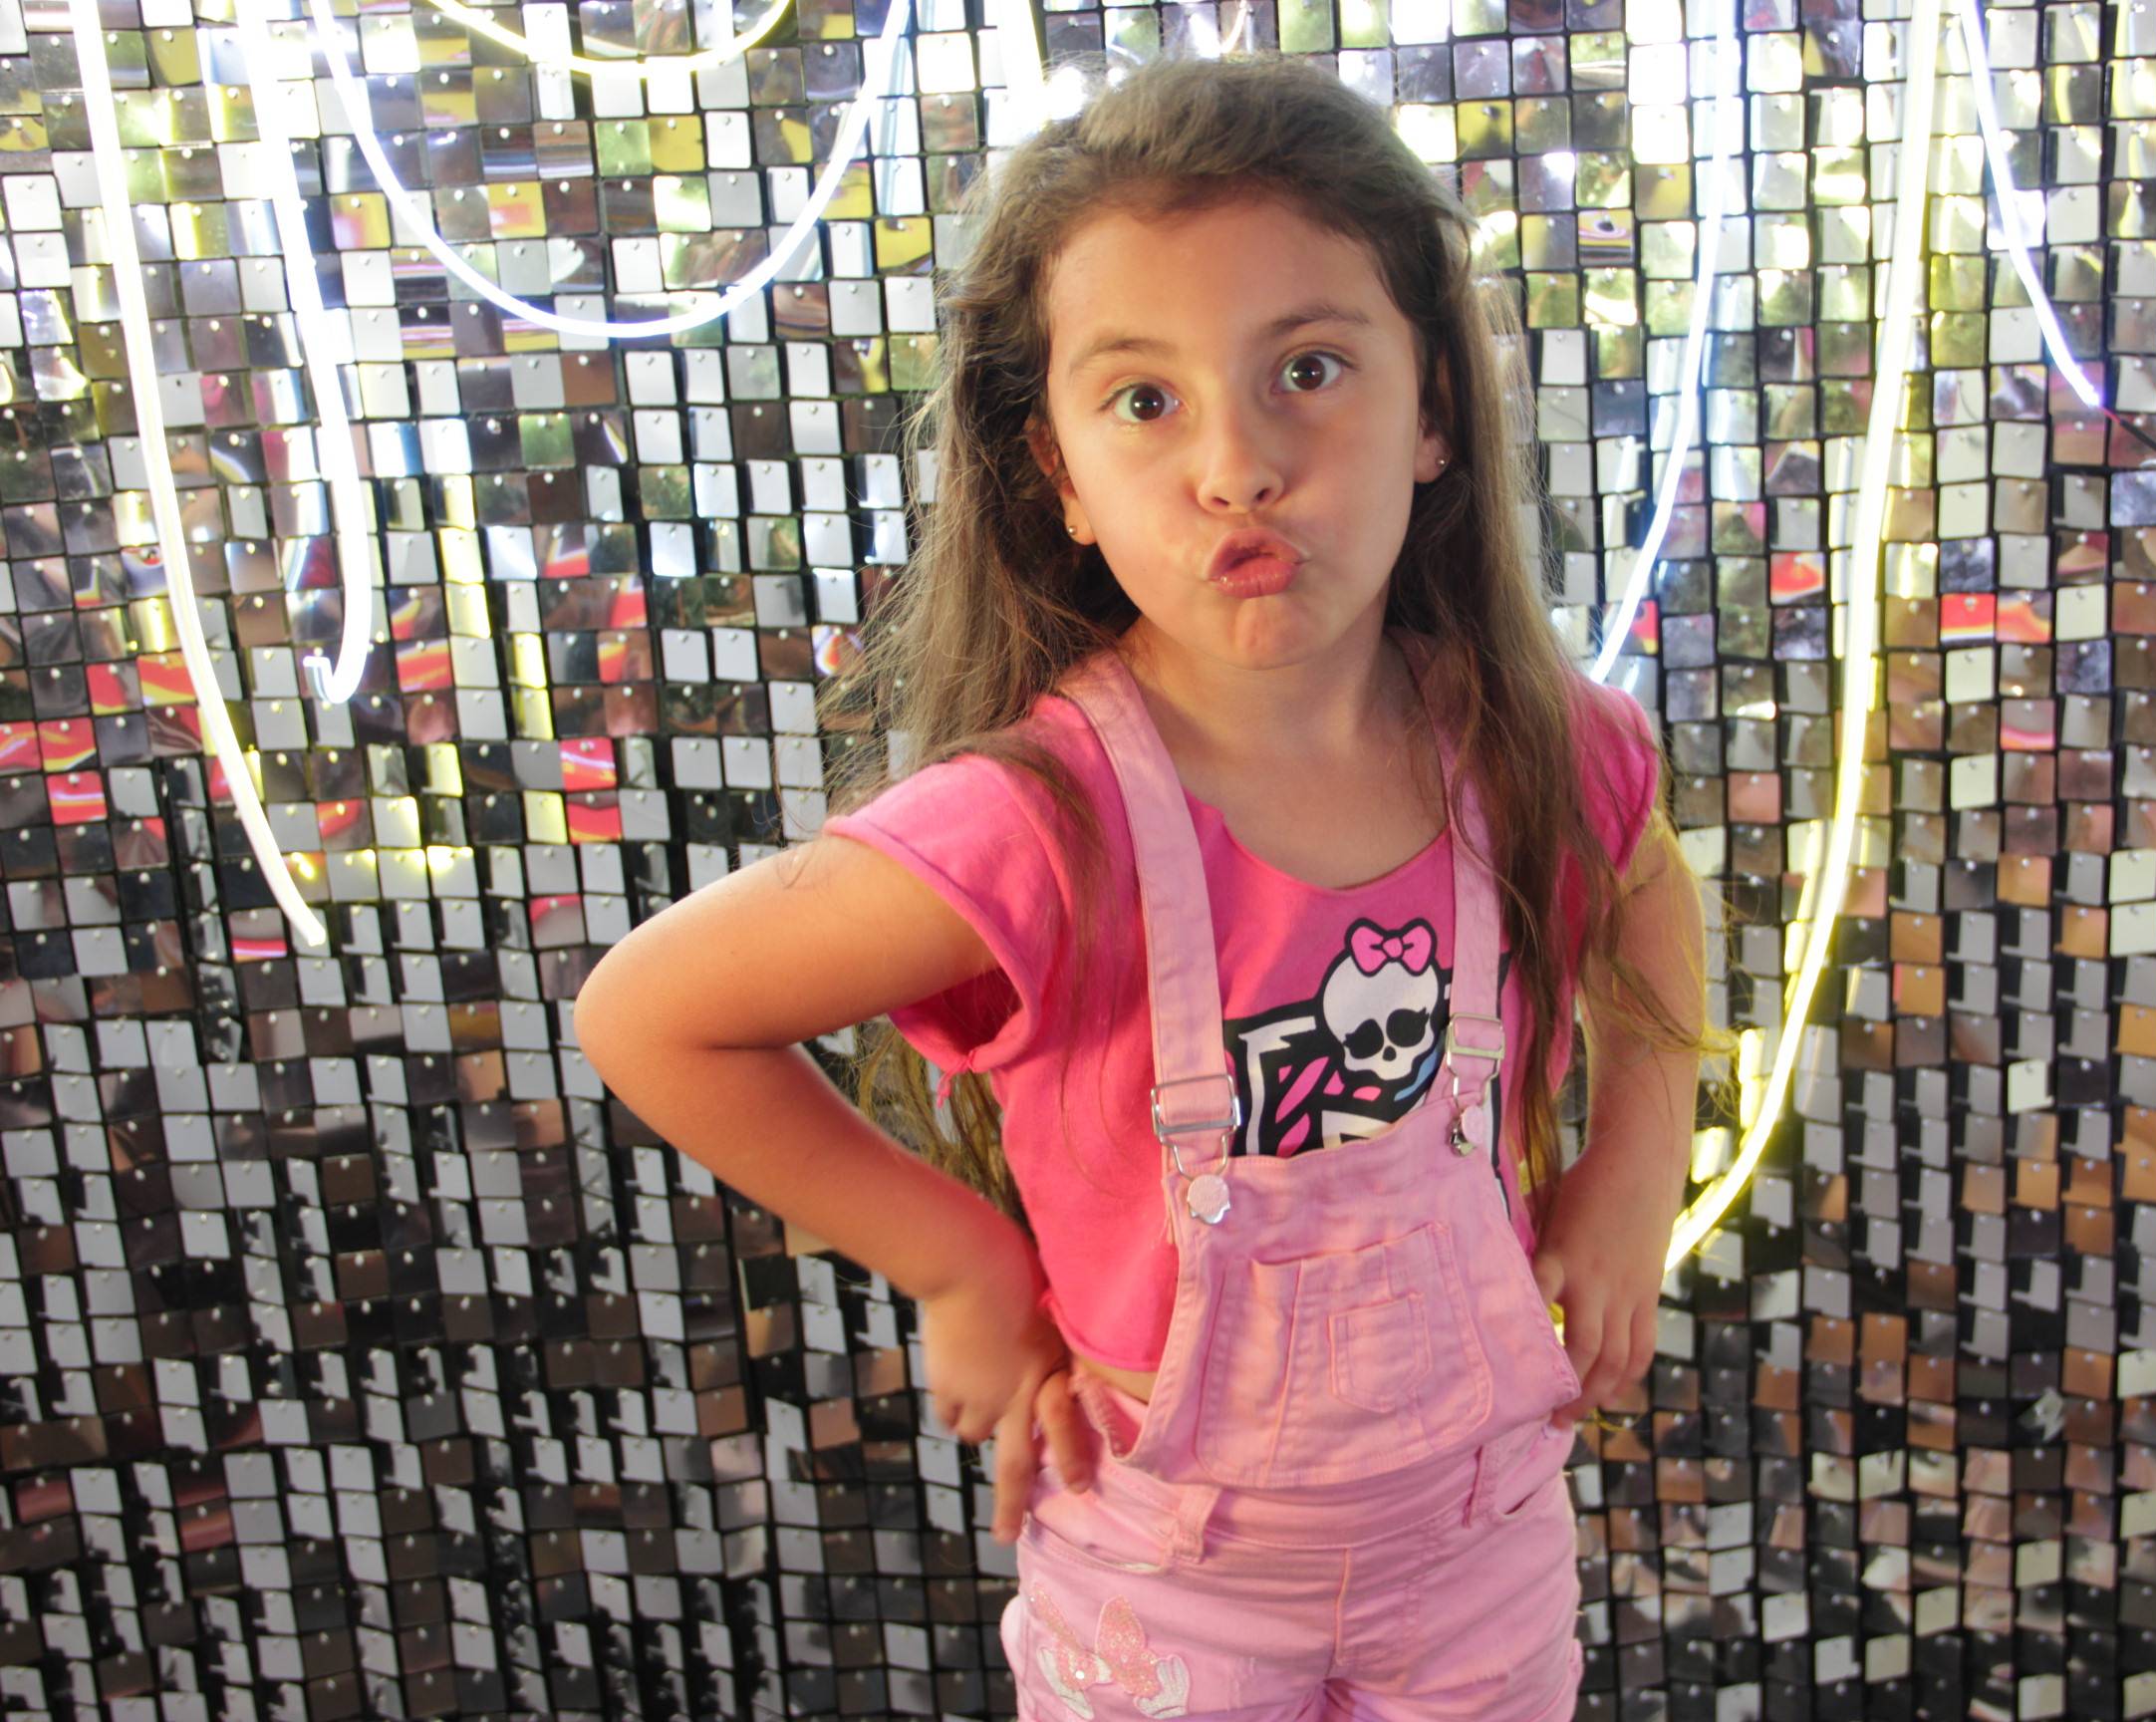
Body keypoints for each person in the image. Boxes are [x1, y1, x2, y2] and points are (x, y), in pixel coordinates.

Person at [573, 50, 1722, 1722]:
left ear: (1432, 412)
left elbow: (1648, 885)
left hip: (1480, 1550)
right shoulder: (1038, 827)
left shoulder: (1531, 744)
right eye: (1145, 401)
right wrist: (961, 1266)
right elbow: (651, 1015)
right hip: (1170, 1585)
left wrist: (1634, 1169)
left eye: (1309, 369)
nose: (1237, 466)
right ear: (1059, 473)